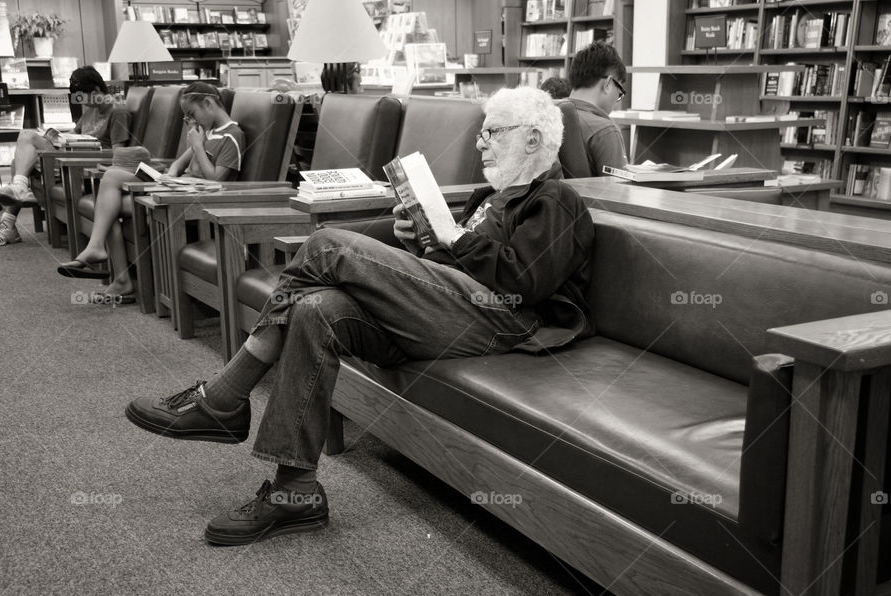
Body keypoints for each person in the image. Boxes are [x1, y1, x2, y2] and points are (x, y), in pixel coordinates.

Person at [124, 87, 596, 546]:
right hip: (450, 312)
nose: (480, 143)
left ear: (533, 139)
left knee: (324, 244)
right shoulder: (488, 196)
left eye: (493, 133)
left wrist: (453, 238)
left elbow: (525, 280)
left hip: (503, 320)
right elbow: (454, 268)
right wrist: (420, 242)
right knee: (315, 309)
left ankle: (224, 397)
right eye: (482, 133)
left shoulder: (555, 198)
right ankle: (295, 491)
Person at [55, 82, 245, 304]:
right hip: (177, 188)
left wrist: (198, 146)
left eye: (191, 115)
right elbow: (178, 164)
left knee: (109, 197)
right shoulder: (207, 131)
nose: (190, 121)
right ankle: (111, 267)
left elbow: (216, 180)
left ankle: (110, 266)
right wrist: (170, 175)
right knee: (109, 191)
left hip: (194, 199)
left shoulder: (233, 135)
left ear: (208, 103)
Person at [0, 66, 132, 247]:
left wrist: (84, 148)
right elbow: (74, 134)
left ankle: (14, 203)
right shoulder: (91, 109)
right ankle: (10, 218)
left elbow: (118, 152)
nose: (81, 101)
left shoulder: (118, 112)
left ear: (96, 91)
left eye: (82, 97)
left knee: (26, 137)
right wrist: (51, 136)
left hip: (83, 164)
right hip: (69, 155)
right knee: (19, 159)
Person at [566, 41, 629, 176]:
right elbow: (618, 187)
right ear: (608, 84)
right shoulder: (605, 130)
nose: (616, 101)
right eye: (619, 93)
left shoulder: (545, 114)